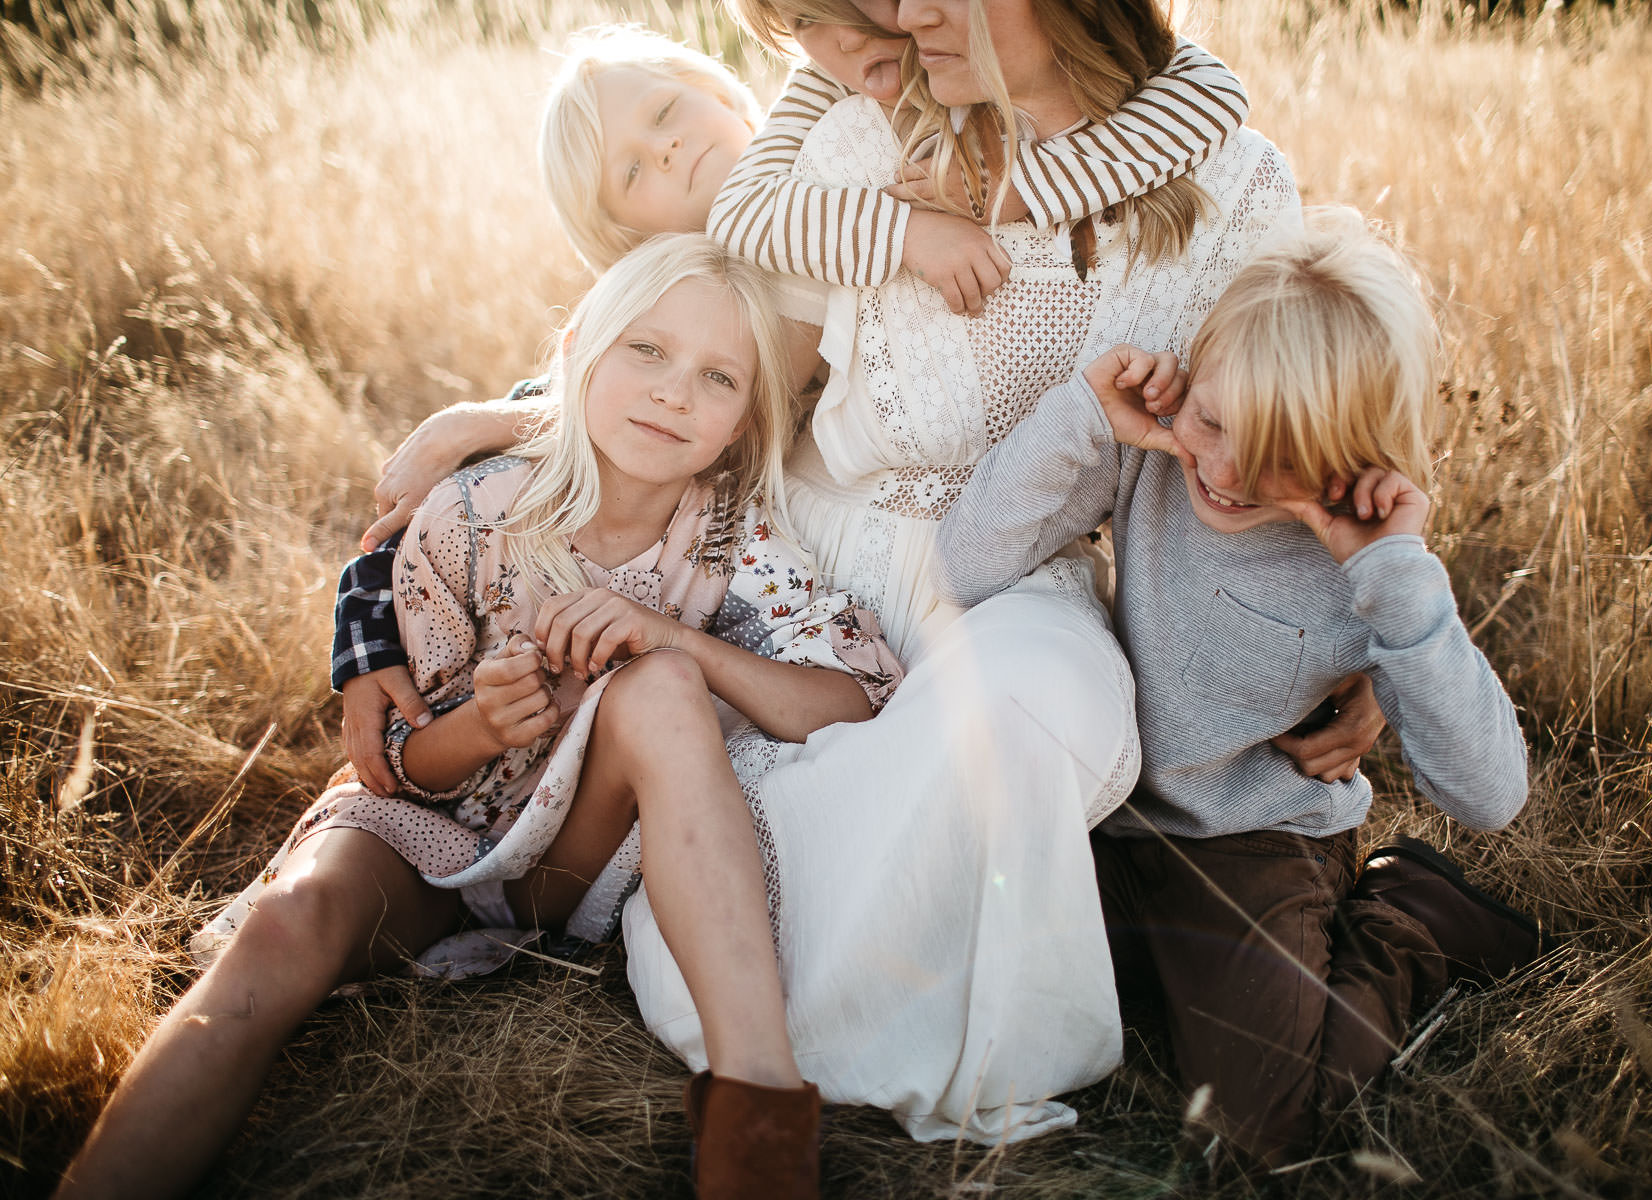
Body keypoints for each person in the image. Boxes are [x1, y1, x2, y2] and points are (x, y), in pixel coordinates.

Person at [332, 5, 1385, 1143]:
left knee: (1046, 705)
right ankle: (798, 1039)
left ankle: (982, 1004)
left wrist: (1361, 619)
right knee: (744, 883)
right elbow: (718, 374)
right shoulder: (855, 142)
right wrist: (493, 435)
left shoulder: (1225, 171)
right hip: (799, 568)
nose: (903, 13)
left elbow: (1303, 389)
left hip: (1017, 573)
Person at [56, 235, 903, 1200]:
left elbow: (857, 690)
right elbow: (401, 763)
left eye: (717, 377)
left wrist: (679, 640)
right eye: (646, 351)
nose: (673, 393)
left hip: (566, 863)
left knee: (665, 687)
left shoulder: (729, 533)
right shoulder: (473, 510)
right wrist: (484, 727)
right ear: (579, 350)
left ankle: (757, 1112)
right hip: (422, 836)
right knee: (289, 927)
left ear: (745, 418)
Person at [935, 208, 1545, 1165]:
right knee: (999, 996)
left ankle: (1411, 917)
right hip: (1104, 812)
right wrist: (1084, 419)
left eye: (1279, 458)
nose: (1222, 469)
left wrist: (1395, 579)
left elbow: (1491, 794)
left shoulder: (1365, 561)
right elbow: (966, 567)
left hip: (1250, 840)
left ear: (1355, 450)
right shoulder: (1156, 451)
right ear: (1198, 371)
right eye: (1215, 421)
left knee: (1264, 1130)